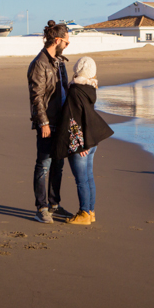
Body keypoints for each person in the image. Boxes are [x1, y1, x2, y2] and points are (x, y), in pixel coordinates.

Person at [54, 57, 114, 225]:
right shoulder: (91, 87)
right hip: (91, 139)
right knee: (88, 178)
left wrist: (81, 144)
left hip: (81, 142)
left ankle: (84, 214)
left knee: (81, 180)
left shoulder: (75, 90)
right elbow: (85, 116)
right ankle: (91, 211)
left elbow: (73, 118)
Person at [27, 20, 73, 223]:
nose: (68, 45)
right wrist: (43, 123)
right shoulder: (40, 64)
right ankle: (41, 208)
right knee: (43, 165)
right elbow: (36, 96)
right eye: (67, 41)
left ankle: (55, 205)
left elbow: (64, 91)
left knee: (58, 164)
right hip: (47, 123)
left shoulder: (59, 62)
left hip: (61, 122)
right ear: (57, 40)